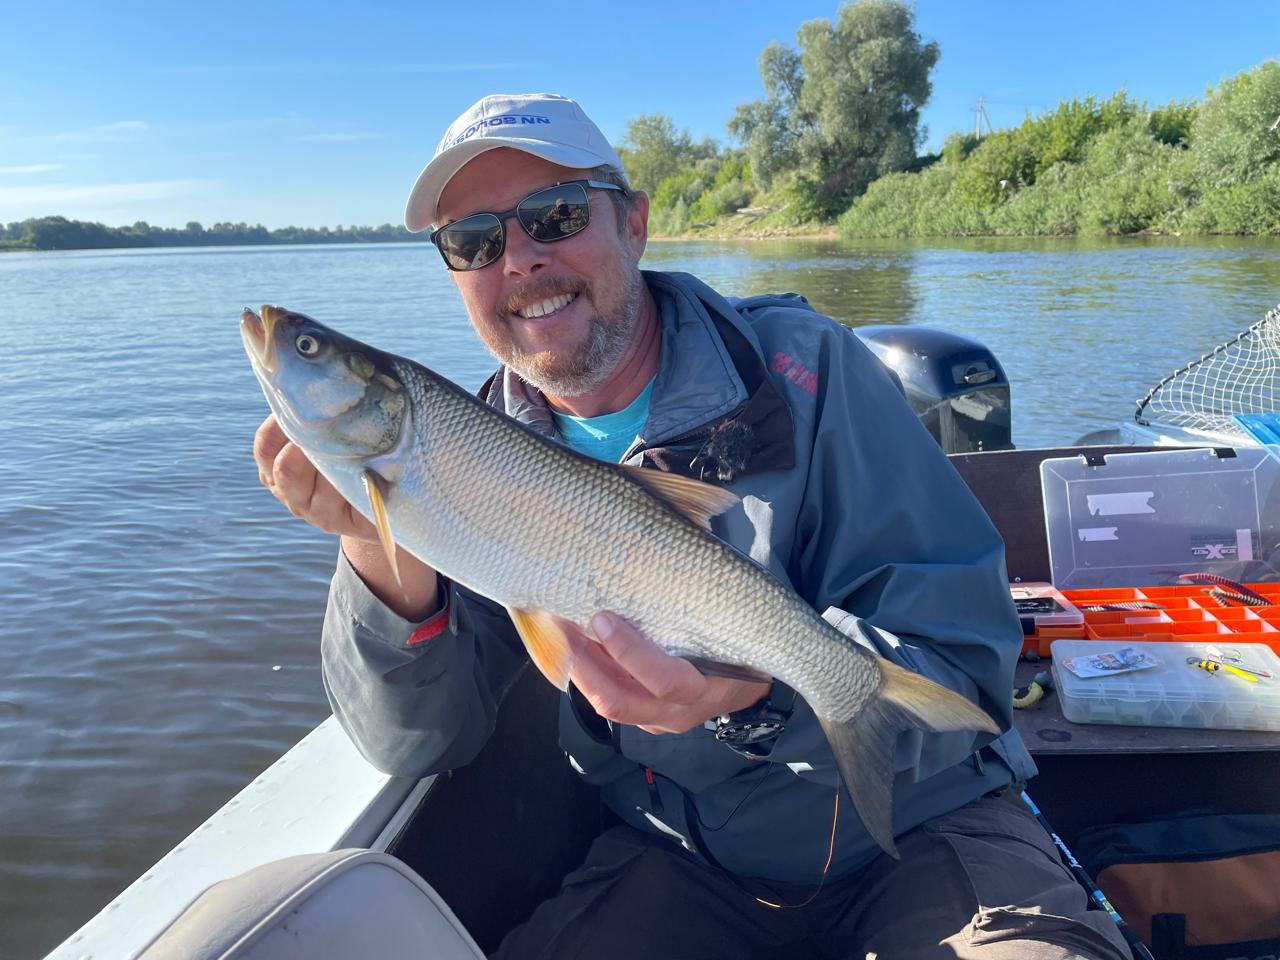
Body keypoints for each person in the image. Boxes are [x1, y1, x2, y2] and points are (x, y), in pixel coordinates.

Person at [253, 93, 1131, 960]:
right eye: (474, 240)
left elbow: (969, 677)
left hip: (928, 830)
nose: (518, 258)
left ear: (634, 223)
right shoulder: (465, 452)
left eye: (554, 215)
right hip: (680, 858)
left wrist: (752, 693)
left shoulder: (810, 368)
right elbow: (420, 742)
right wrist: (374, 540)